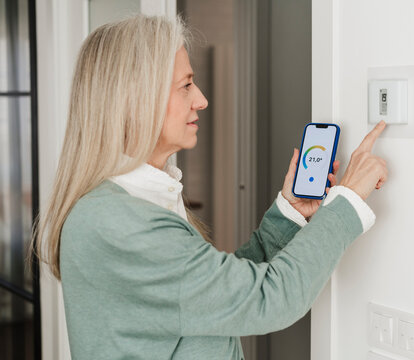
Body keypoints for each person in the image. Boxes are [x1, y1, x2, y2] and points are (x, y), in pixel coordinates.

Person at [32, 14, 388, 360]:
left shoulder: (131, 204)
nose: (201, 99)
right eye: (186, 85)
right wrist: (348, 201)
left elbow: (216, 296)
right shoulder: (118, 223)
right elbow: (269, 298)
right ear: (134, 100)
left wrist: (289, 213)